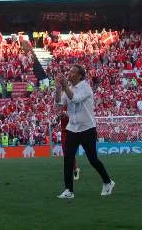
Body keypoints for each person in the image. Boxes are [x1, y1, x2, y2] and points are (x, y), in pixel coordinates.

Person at [54, 64, 114, 199]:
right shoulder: (69, 88)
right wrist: (58, 88)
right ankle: (68, 190)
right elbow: (58, 103)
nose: (69, 73)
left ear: (80, 75)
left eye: (72, 71)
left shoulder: (85, 87)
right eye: (69, 71)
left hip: (87, 128)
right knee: (68, 159)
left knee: (92, 159)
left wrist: (64, 86)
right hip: (72, 128)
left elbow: (74, 99)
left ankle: (107, 181)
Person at [59, 104, 80, 180]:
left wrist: (67, 115)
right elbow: (60, 115)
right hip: (64, 132)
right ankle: (74, 169)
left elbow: (76, 118)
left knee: (70, 152)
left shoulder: (74, 105)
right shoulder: (62, 105)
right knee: (66, 152)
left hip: (72, 131)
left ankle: (75, 169)